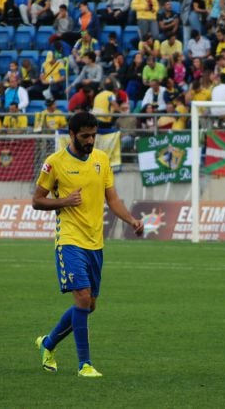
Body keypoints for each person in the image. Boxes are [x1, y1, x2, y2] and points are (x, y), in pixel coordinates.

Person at [32, 111, 143, 378]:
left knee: (89, 305)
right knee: (82, 298)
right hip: (69, 240)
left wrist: (130, 220)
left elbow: (112, 199)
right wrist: (64, 201)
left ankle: (48, 344)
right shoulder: (55, 162)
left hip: (95, 242)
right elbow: (37, 200)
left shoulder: (101, 160)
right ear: (72, 135)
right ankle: (85, 365)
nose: (91, 140)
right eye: (85, 136)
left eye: (93, 135)